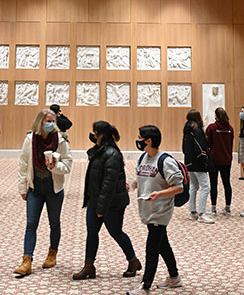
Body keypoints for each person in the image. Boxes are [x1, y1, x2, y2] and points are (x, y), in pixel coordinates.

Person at [73, 121, 141, 281]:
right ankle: (89, 266)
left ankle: (133, 260)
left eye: (94, 133)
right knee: (91, 232)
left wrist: (101, 209)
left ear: (101, 135)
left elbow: (108, 184)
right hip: (95, 200)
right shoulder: (99, 151)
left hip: (112, 203)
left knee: (116, 232)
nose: (92, 135)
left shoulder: (112, 154)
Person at [127, 125, 183, 295]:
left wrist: (159, 194)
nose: (137, 140)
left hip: (160, 211)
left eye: (140, 137)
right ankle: (174, 278)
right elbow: (143, 177)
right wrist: (134, 184)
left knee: (151, 248)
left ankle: (145, 286)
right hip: (147, 209)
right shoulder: (143, 157)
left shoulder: (166, 161)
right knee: (162, 245)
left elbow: (178, 187)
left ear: (148, 140)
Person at [15, 108, 72, 276]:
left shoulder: (61, 140)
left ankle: (52, 254)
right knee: (31, 223)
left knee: (54, 223)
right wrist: (22, 188)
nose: (50, 124)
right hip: (35, 188)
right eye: (47, 121)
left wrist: (55, 166)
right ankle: (27, 260)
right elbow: (23, 165)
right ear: (40, 122)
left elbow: (68, 165)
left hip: (53, 188)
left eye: (52, 121)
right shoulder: (30, 139)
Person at [182, 109, 214, 224]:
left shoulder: (186, 130)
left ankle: (192, 212)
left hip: (189, 162)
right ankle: (202, 213)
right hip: (198, 163)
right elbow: (200, 149)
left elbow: (184, 148)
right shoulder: (197, 131)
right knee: (205, 187)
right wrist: (205, 160)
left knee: (193, 186)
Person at [206, 107, 234, 215]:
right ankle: (228, 208)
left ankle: (213, 208)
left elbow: (208, 143)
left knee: (213, 183)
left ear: (216, 116)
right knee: (227, 183)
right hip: (227, 159)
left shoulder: (212, 127)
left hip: (214, 160)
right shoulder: (230, 128)